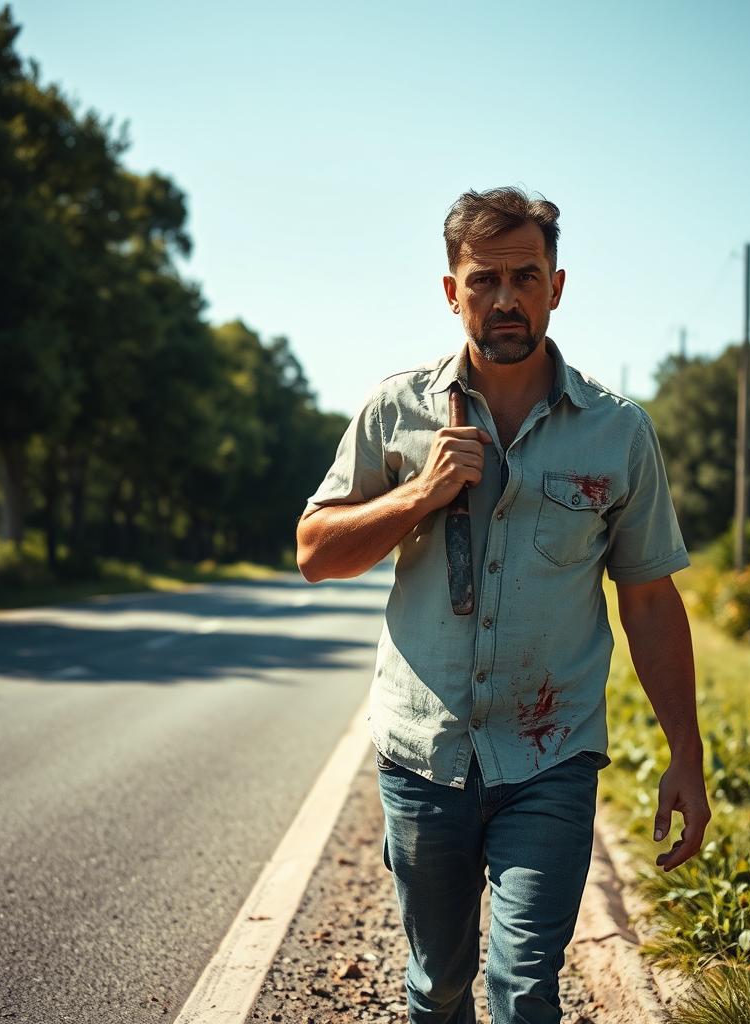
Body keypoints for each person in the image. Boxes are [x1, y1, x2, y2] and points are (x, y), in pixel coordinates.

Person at [295, 186, 711, 1024]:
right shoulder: (396, 411)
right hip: (424, 755)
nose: (506, 297)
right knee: (436, 986)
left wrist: (686, 756)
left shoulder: (617, 432)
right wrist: (421, 493)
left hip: (549, 756)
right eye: (484, 279)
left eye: (526, 276)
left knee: (525, 990)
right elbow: (315, 552)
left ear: (557, 286)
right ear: (452, 291)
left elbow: (651, 602)